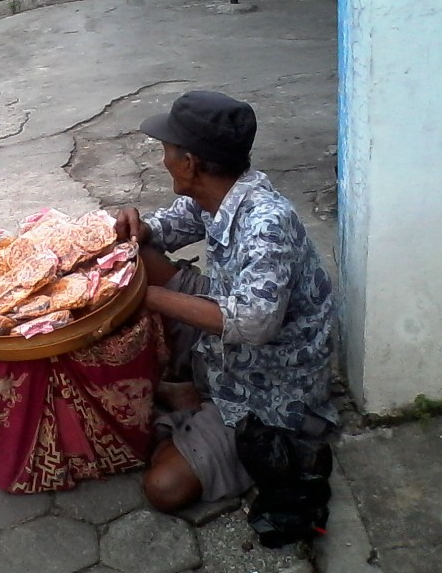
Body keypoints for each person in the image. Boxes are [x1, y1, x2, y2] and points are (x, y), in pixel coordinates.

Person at [115, 90, 337, 513]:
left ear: (190, 163)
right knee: (133, 256)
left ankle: (196, 406)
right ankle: (190, 393)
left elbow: (254, 324)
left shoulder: (267, 223)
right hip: (228, 318)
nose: (162, 159)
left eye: (167, 150)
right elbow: (167, 227)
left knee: (164, 486)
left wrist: (152, 298)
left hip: (270, 382)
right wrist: (136, 227)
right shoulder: (220, 192)